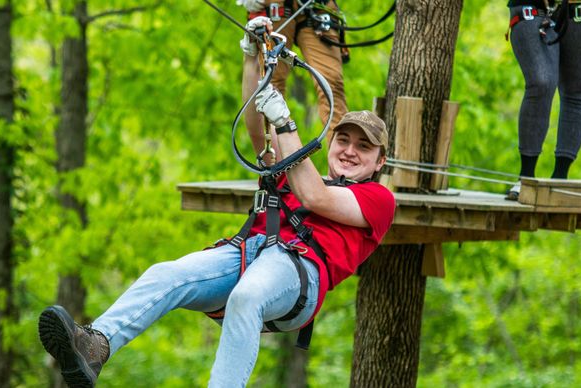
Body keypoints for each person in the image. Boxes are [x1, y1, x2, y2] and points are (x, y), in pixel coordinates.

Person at [37, 25, 395, 388]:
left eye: (363, 147)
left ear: (380, 162)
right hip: (249, 255)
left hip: (298, 273)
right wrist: (251, 55)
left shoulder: (379, 200)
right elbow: (257, 131)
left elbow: (316, 197)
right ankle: (97, 344)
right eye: (344, 140)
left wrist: (286, 123)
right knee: (166, 275)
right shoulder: (297, 174)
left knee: (247, 296)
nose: (350, 151)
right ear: (331, 144)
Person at [505, 0, 581, 200]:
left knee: (576, 93)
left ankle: (559, 178)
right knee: (541, 82)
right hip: (533, 5)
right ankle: (525, 176)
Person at [238, 0, 349, 152]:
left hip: (318, 5)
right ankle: (276, 166)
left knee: (331, 87)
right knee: (269, 87)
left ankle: (344, 165)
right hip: (272, 5)